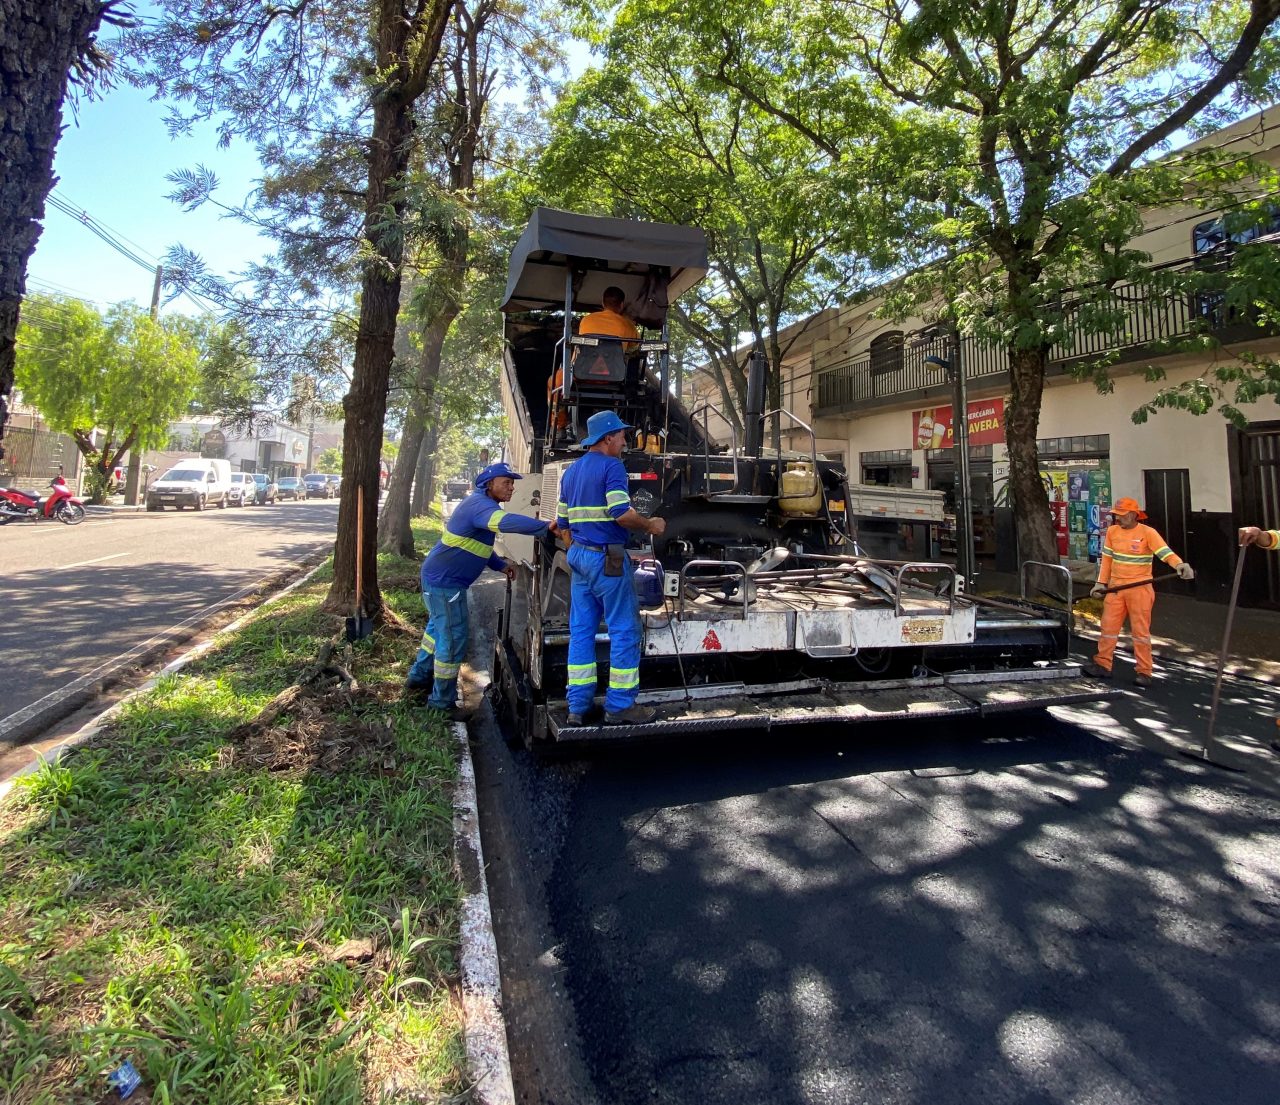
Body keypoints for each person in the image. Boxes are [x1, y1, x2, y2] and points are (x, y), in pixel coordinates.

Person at [405, 462, 553, 717]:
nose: (512, 488)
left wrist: (499, 565)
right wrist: (545, 526)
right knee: (452, 639)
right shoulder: (480, 506)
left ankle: (419, 676)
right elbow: (505, 523)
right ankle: (441, 703)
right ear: (489, 484)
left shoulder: (481, 505)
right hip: (445, 583)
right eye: (506, 482)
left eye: (512, 483)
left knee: (436, 633)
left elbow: (476, 546)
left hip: (439, 579)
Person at [556, 410, 666, 726]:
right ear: (607, 438)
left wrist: (576, 548)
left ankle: (577, 705)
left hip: (579, 558)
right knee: (624, 629)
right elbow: (621, 513)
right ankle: (619, 706)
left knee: (581, 631)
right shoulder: (612, 467)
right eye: (621, 435)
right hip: (607, 562)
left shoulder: (572, 472)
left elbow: (562, 523)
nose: (624, 440)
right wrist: (650, 525)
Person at [1085, 496, 1194, 689]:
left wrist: (1179, 564)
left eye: (1122, 515)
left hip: (1139, 588)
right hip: (1116, 588)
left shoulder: (1148, 533)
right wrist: (1100, 583)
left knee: (1140, 632)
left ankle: (1144, 671)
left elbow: (1164, 552)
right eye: (1116, 515)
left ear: (1134, 514)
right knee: (1108, 628)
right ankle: (1103, 664)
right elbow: (1107, 560)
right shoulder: (1112, 532)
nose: (1118, 519)